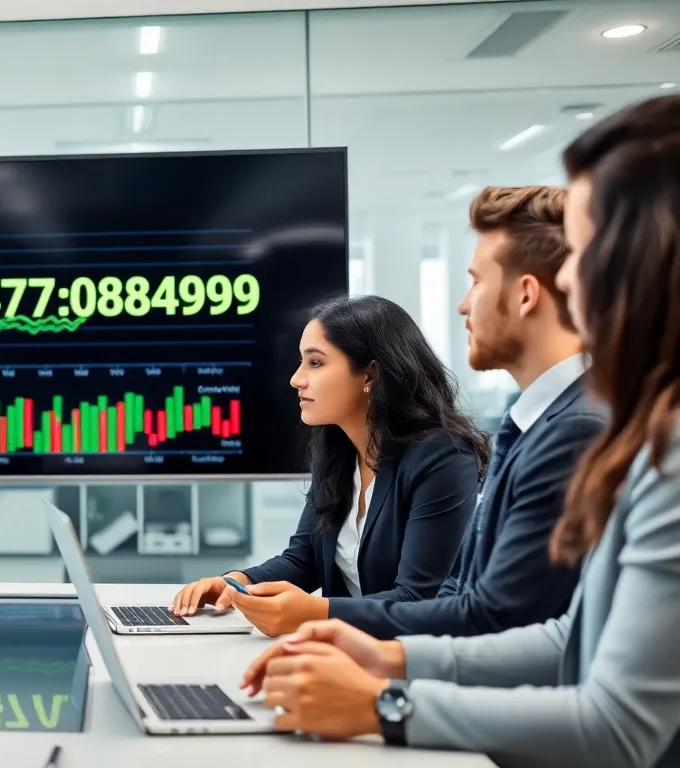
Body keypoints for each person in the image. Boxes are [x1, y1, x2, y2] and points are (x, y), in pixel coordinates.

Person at [242, 94, 680, 768]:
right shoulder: (568, 426)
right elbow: (566, 637)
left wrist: (381, 700)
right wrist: (385, 655)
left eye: (585, 249)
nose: (568, 275)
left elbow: (613, 720)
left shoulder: (628, 442)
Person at [325, 186, 606, 640]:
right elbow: (461, 591)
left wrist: (326, 621)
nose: (463, 304)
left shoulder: (575, 430)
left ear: (526, 295)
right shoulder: (535, 422)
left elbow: (493, 616)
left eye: (477, 281)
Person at [171, 295, 488, 637]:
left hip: (412, 658)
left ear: (370, 374)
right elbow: (303, 559)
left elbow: (419, 600)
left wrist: (318, 613)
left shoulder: (443, 457)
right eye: (301, 362)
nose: (296, 379)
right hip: (346, 651)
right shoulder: (339, 451)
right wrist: (238, 582)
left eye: (315, 363)